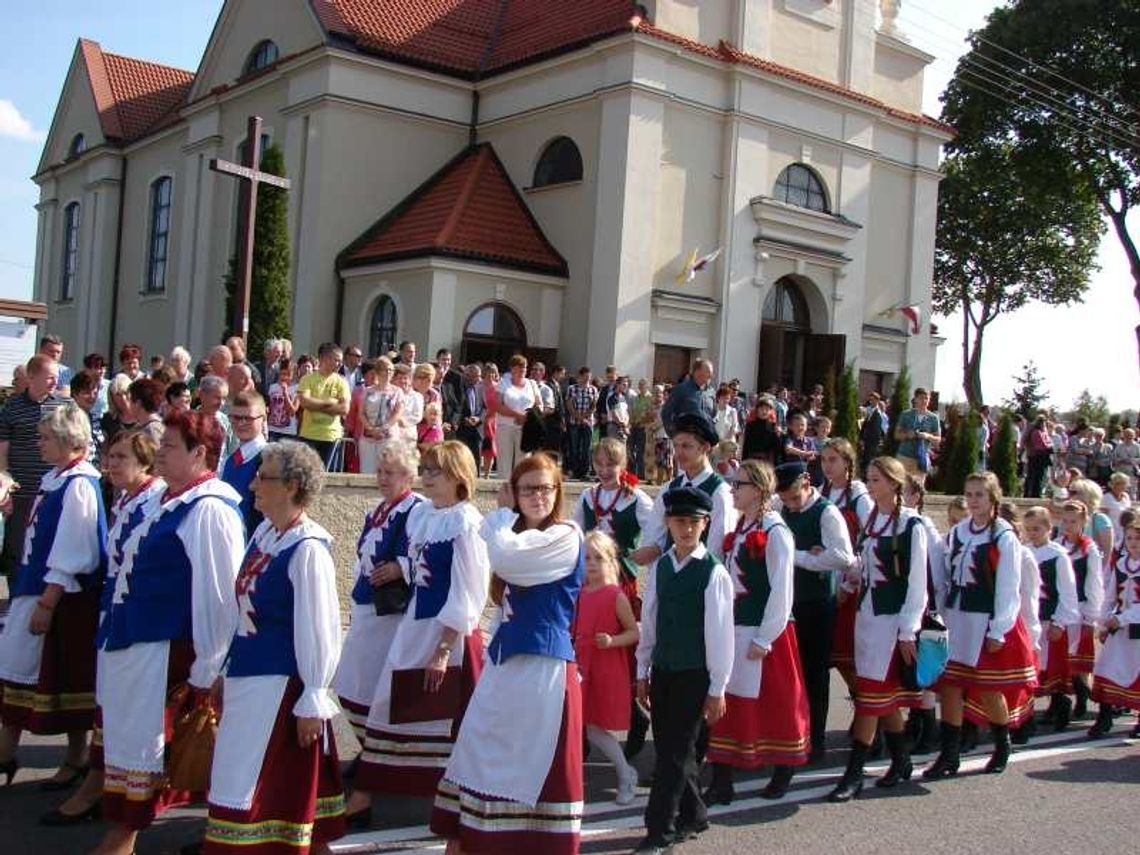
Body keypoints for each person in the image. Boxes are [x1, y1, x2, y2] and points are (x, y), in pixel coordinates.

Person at [91, 413, 243, 855]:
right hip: (135, 643)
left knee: (148, 750)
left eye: (171, 446)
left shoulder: (210, 508)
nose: (159, 451)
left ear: (199, 454)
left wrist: (209, 670)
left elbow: (219, 597)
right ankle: (121, 836)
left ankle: (122, 840)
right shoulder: (170, 500)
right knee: (129, 745)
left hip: (162, 651)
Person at [432, 453, 582, 852]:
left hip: (542, 669)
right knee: (477, 754)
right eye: (528, 488)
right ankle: (467, 839)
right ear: (516, 492)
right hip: (505, 665)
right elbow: (502, 597)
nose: (538, 497)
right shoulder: (515, 536)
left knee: (525, 771)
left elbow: (507, 557)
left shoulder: (565, 536)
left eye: (545, 488)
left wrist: (500, 515)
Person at [202, 441, 345, 854]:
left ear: (292, 486)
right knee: (239, 780)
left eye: (262, 477)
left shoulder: (307, 548)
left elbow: (320, 627)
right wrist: (226, 671)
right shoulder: (265, 535)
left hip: (279, 690)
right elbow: (241, 611)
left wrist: (314, 697)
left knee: (263, 792)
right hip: (249, 678)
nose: (252, 486)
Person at [349, 442, 489, 821]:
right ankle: (370, 791)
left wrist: (443, 649)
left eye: (435, 472)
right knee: (389, 705)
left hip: (447, 635)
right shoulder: (425, 516)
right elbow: (416, 574)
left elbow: (469, 593)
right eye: (424, 470)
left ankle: (448, 800)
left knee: (442, 717)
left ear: (459, 477)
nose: (426, 478)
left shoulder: (467, 522)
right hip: (415, 624)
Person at [41, 430, 164, 828]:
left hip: (140, 625)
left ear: (144, 462)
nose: (111, 464)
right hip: (113, 615)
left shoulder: (154, 501)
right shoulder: (126, 499)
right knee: (107, 707)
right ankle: (101, 786)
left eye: (121, 457)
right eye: (109, 456)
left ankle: (111, 795)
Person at [0, 405, 106, 788]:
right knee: (18, 673)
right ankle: (6, 753)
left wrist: (48, 600)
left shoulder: (79, 484)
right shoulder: (56, 478)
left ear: (66, 441)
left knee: (66, 679)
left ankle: (75, 757)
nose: (38, 443)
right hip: (38, 586)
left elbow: (76, 547)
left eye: (45, 438)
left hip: (63, 596)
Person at [633, 486, 733, 853]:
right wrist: (642, 669)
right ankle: (696, 812)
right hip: (663, 669)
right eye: (679, 522)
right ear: (668, 524)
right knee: (673, 747)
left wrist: (717, 687)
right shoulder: (661, 567)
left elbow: (720, 636)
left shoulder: (713, 572)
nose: (686, 529)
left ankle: (660, 829)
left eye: (693, 522)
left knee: (673, 755)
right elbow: (651, 620)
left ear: (705, 525)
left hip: (695, 673)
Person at [705, 460, 808, 803]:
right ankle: (722, 778)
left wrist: (766, 636)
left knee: (774, 703)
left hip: (766, 632)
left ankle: (783, 767)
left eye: (740, 485)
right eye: (733, 484)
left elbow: (782, 589)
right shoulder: (742, 528)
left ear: (759, 490)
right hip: (734, 626)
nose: (733, 490)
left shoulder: (776, 531)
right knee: (727, 699)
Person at [826, 456, 927, 801]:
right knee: (880, 697)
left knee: (870, 696)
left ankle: (853, 774)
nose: (870, 486)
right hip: (867, 619)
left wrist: (908, 631)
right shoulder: (872, 521)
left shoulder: (913, 526)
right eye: (868, 479)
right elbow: (863, 566)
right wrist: (848, 581)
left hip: (893, 622)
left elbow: (917, 584)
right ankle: (902, 759)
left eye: (877, 480)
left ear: (896, 484)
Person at [925, 471, 1038, 778]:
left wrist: (999, 629)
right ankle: (949, 754)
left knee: (989, 688)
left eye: (980, 495)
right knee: (949, 686)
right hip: (957, 618)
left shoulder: (1003, 535)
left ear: (993, 498)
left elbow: (1008, 586)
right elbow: (945, 576)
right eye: (970, 494)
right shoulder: (958, 532)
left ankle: (1002, 745)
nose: (974, 500)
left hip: (985, 620)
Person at [335, 440, 425, 745]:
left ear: (409, 476)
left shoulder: (416, 509)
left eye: (392, 472)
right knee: (351, 678)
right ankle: (364, 743)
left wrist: (401, 566)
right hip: (366, 603)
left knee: (373, 679)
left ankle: (377, 745)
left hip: (389, 610)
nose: (384, 478)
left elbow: (422, 552)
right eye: (381, 471)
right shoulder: (377, 510)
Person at [572, 438, 655, 758]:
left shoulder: (637, 500)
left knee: (625, 657)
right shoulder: (587, 496)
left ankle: (636, 719)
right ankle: (582, 733)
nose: (605, 470)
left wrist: (633, 557)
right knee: (586, 652)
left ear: (623, 466)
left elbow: (655, 538)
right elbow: (576, 539)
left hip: (622, 587)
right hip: (590, 586)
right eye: (600, 464)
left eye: (611, 464)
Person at [774, 460, 856, 763]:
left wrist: (799, 557)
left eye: (795, 498)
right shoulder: (781, 508)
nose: (791, 505)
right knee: (790, 673)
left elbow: (843, 557)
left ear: (807, 483)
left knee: (815, 673)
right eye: (786, 500)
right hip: (790, 600)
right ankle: (792, 733)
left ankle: (817, 739)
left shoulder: (827, 512)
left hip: (818, 602)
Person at [574, 531, 640, 805]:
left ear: (610, 562)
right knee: (583, 725)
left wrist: (613, 641)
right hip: (581, 665)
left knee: (595, 727)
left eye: (598, 558)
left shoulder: (615, 595)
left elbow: (633, 633)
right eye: (586, 558)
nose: (591, 563)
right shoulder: (578, 593)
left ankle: (626, 774)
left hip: (606, 666)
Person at [0, 355, 67, 581]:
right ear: (31, 377)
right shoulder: (12, 407)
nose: (54, 383)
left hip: (52, 494)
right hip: (21, 494)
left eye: (56, 378)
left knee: (49, 551)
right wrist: (5, 488)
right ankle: (16, 605)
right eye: (49, 378)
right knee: (16, 554)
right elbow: (2, 451)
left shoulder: (64, 407)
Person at [819, 439, 874, 700]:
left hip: (851, 583)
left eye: (833, 460)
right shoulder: (822, 492)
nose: (827, 466)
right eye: (824, 460)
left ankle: (869, 711)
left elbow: (869, 544)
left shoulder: (859, 497)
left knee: (849, 656)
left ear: (847, 463)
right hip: (825, 579)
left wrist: (849, 583)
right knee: (833, 655)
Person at [1023, 505, 1081, 733]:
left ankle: (1060, 704)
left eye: (1037, 528)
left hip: (1050, 619)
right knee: (1032, 666)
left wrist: (1060, 621)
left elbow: (1067, 591)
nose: (1032, 533)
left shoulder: (1058, 555)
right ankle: (1028, 713)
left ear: (1048, 528)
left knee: (1053, 668)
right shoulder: (1024, 551)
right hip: (1032, 619)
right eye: (1028, 529)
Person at [1087, 517, 1140, 738]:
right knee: (1107, 668)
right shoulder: (1121, 564)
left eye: (1138, 538)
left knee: (1136, 672)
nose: (1133, 542)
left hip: (1135, 628)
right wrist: (1104, 620)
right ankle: (1105, 716)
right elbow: (1110, 596)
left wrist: (1124, 618)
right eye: (1129, 538)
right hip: (1120, 628)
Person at [1056, 498, 1106, 721]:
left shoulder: (1089, 550)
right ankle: (1060, 701)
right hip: (1060, 609)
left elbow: (1094, 584)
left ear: (1083, 522)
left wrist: (1091, 618)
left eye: (1073, 521)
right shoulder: (1057, 545)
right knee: (1060, 658)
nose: (1068, 526)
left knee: (1077, 659)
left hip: (1080, 607)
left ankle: (1082, 697)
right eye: (1065, 521)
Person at [220, 391, 268, 537]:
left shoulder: (268, 459)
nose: (241, 423)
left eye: (248, 418)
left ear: (263, 418)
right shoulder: (231, 459)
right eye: (235, 417)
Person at [297, 343, 350, 467]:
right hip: (309, 434)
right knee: (307, 473)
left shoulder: (341, 382)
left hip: (331, 436)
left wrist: (315, 403)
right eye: (336, 360)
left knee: (328, 477)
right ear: (324, 358)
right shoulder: (307, 379)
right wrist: (330, 402)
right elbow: (305, 402)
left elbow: (344, 409)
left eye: (340, 361)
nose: (339, 364)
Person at [357, 357, 404, 474]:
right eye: (384, 369)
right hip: (368, 437)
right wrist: (371, 429)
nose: (388, 372)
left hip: (388, 437)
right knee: (367, 471)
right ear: (378, 372)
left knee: (387, 470)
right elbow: (361, 413)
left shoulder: (397, 392)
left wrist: (383, 428)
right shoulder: (367, 391)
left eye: (390, 370)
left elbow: (398, 413)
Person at [495, 354, 539, 478]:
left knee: (523, 464)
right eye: (520, 367)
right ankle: (504, 491)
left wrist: (528, 416)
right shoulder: (504, 383)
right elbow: (498, 406)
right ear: (512, 368)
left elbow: (539, 405)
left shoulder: (532, 384)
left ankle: (521, 491)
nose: (523, 370)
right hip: (505, 427)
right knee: (504, 462)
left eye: (525, 367)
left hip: (525, 429)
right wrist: (517, 415)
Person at [894, 388, 941, 486]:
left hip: (921, 458)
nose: (924, 401)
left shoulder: (933, 418)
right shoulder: (906, 415)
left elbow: (938, 439)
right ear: (915, 399)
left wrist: (927, 436)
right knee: (902, 486)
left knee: (918, 489)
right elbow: (896, 435)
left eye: (926, 398)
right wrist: (908, 435)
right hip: (905, 456)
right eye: (921, 398)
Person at [660, 359, 715, 436]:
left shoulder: (711, 392)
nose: (711, 375)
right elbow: (666, 413)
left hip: (704, 439)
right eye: (708, 372)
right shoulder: (681, 389)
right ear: (697, 372)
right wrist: (673, 434)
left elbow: (713, 415)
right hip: (686, 438)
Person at [565, 367, 599, 481]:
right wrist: (578, 417)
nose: (587, 380)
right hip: (574, 422)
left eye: (588, 378)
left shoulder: (593, 389)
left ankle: (585, 472)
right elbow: (569, 405)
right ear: (579, 377)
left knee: (586, 448)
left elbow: (594, 405)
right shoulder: (572, 389)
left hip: (588, 422)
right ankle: (575, 471)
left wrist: (585, 417)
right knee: (574, 447)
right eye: (585, 378)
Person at [454, 363, 485, 467]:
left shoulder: (481, 388)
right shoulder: (458, 389)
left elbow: (485, 408)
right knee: (460, 461)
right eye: (477, 376)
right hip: (461, 431)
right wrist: (463, 419)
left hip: (477, 431)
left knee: (476, 462)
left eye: (479, 376)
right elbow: (454, 407)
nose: (479, 379)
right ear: (467, 375)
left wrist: (478, 418)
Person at [266, 358, 300, 441]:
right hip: (272, 430)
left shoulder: (297, 389)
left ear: (293, 375)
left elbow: (292, 411)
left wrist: (285, 392)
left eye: (288, 374)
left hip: (288, 432)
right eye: (282, 373)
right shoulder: (272, 387)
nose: (284, 377)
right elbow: (269, 408)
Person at [741, 396, 780, 464]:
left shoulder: (773, 426)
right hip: (752, 460)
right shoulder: (750, 425)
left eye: (767, 409)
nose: (764, 411)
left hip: (767, 461)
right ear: (757, 410)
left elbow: (776, 448)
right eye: (762, 409)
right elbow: (746, 445)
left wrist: (779, 435)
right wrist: (744, 461)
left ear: (771, 411)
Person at [480, 363, 500, 478]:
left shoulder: (498, 387)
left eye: (493, 372)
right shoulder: (479, 386)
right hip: (480, 420)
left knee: (490, 449)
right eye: (488, 371)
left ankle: (486, 474)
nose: (490, 374)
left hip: (493, 421)